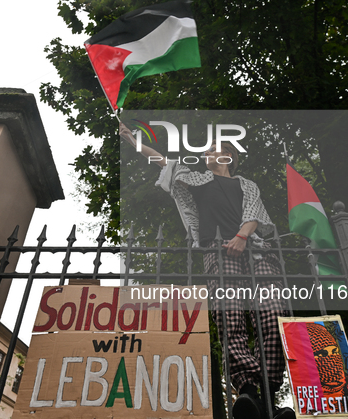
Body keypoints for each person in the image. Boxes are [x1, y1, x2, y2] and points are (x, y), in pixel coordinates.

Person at [120, 122, 295, 419]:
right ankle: (248, 392)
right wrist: (133, 141)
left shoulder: (247, 184)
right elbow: (165, 162)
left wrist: (241, 236)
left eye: (212, 150)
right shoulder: (198, 180)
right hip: (218, 251)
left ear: (227, 156)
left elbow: (254, 215)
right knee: (230, 315)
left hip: (254, 250)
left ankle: (268, 393)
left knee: (274, 316)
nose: (206, 155)